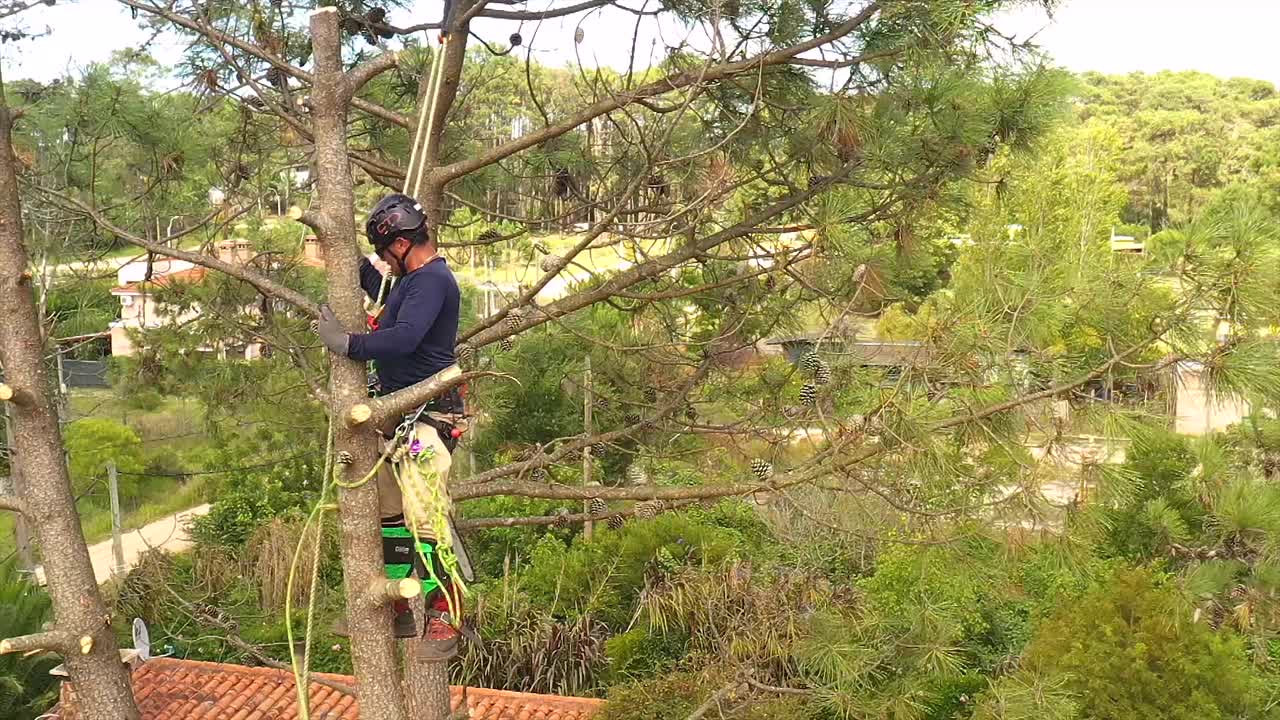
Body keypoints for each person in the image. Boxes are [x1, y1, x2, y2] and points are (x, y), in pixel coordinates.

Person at [315, 193, 470, 650]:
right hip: (395, 417)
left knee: (426, 516)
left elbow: (403, 340)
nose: (384, 262)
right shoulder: (407, 281)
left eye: (385, 252)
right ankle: (400, 605)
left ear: (401, 244)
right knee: (390, 515)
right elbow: (380, 290)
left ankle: (447, 614)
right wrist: (345, 254)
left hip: (429, 416)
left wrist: (347, 344)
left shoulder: (434, 281)